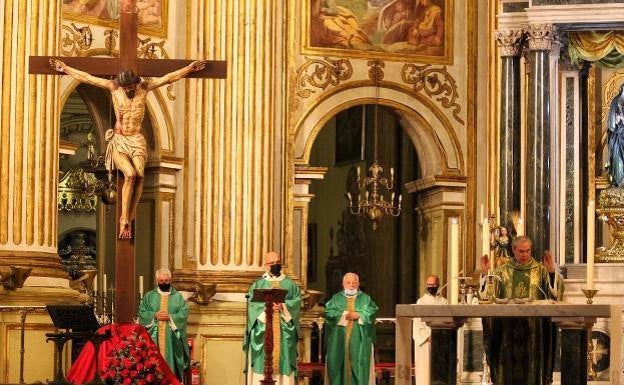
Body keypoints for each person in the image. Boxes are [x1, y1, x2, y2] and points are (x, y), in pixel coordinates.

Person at [50, 58, 207, 239]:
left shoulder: (145, 87)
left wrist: (190, 68)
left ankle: (131, 218)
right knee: (130, 174)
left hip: (137, 140)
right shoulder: (113, 88)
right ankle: (123, 218)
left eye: (130, 87)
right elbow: (87, 78)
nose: (128, 91)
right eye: (126, 88)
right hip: (120, 141)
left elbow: (169, 78)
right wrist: (66, 68)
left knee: (140, 176)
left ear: (135, 83)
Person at [479, 236, 564, 385]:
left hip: (534, 332)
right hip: (507, 331)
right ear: (513, 250)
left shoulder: (540, 271)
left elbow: (555, 297)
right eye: (521, 251)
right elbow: (488, 299)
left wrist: (551, 271)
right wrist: (487, 275)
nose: (525, 255)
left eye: (528, 251)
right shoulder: (501, 271)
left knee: (533, 370)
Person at [244, 251, 302, 385]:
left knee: (284, 358)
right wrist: (266, 308)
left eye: (277, 262)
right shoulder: (258, 285)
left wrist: (283, 306)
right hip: (263, 329)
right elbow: (252, 306)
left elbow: (297, 301)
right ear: (266, 265)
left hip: (283, 329)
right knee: (262, 361)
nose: (275, 265)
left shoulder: (290, 284)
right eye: (272, 263)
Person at [324, 273, 378, 385]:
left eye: (354, 282)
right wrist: (343, 315)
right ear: (343, 284)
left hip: (359, 341)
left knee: (359, 365)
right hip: (339, 340)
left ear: (358, 284)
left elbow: (372, 311)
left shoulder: (365, 298)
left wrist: (359, 315)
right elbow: (328, 312)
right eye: (348, 282)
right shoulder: (336, 298)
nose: (351, 285)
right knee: (339, 366)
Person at [138, 268, 190, 381]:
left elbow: (184, 312)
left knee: (170, 368)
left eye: (166, 281)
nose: (164, 283)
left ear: (170, 280)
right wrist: (154, 315)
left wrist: (170, 317)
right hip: (153, 339)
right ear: (157, 280)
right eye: (161, 281)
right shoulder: (149, 296)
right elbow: (142, 312)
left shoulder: (177, 297)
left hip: (171, 340)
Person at [414, 275, 447, 385]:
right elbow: (417, 324)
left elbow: (447, 321)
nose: (431, 287)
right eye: (429, 285)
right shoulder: (421, 302)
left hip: (440, 341)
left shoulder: (444, 302)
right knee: (425, 373)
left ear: (438, 285)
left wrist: (439, 335)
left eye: (433, 285)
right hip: (425, 342)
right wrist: (428, 336)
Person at [607, 83, 624, 187]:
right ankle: (619, 181)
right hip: (618, 135)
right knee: (618, 159)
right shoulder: (615, 102)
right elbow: (612, 123)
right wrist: (618, 119)